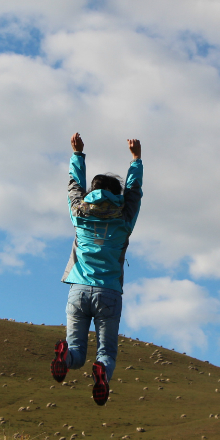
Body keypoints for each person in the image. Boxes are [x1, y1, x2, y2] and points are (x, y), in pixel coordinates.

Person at [51, 132, 143, 405]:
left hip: (78, 290)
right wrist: (136, 160)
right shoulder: (124, 218)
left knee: (77, 352)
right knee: (106, 353)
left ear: (91, 193)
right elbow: (134, 193)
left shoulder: (79, 214)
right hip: (110, 293)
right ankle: (101, 372)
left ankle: (65, 356)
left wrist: (77, 154)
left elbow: (73, 186)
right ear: (119, 196)